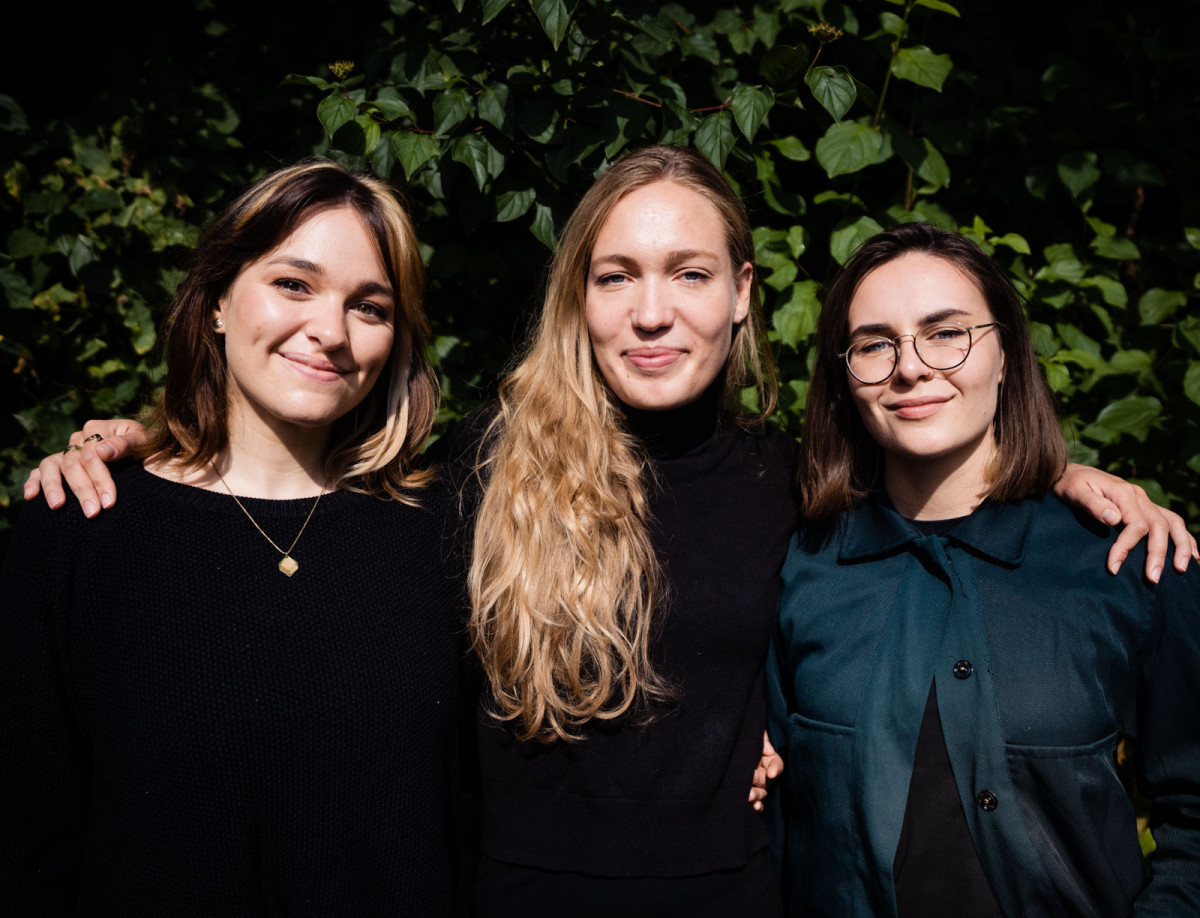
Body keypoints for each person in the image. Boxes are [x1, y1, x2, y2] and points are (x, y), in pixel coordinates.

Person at [20, 148, 1196, 915]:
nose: (650, 311)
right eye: (616, 274)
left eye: (687, 273)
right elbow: (287, 505)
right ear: (575, 295)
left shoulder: (795, 483)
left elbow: (940, 483)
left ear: (742, 291)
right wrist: (143, 442)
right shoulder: (481, 472)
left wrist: (1072, 475)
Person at [0, 160, 464, 915]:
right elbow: (28, 841)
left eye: (370, 306)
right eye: (293, 284)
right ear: (217, 300)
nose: (329, 331)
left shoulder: (441, 532)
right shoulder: (83, 527)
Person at [766, 223, 1200, 916]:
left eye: (946, 333)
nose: (909, 367)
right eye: (875, 344)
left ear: (1006, 355)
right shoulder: (800, 559)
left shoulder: (1125, 559)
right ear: (845, 380)